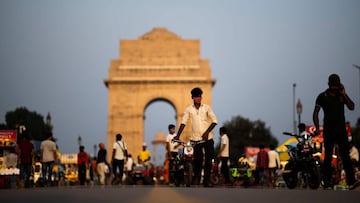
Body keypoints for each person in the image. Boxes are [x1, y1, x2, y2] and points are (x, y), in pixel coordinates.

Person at [313, 73, 359, 190]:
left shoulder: (341, 96)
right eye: (333, 85)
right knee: (328, 157)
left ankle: (351, 181)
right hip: (328, 131)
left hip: (341, 131)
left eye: (336, 85)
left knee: (345, 157)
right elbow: (316, 113)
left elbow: (352, 106)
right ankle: (327, 182)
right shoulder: (322, 96)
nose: (334, 88)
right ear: (329, 84)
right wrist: (317, 127)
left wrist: (344, 94)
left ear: (339, 85)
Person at [174, 87, 218, 187]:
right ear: (192, 98)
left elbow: (215, 121)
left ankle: (206, 181)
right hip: (196, 139)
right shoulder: (189, 109)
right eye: (195, 97)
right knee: (197, 160)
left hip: (208, 139)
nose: (198, 98)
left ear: (201, 97)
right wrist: (177, 135)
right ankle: (196, 178)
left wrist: (207, 132)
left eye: (199, 96)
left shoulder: (207, 108)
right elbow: (183, 122)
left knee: (208, 160)